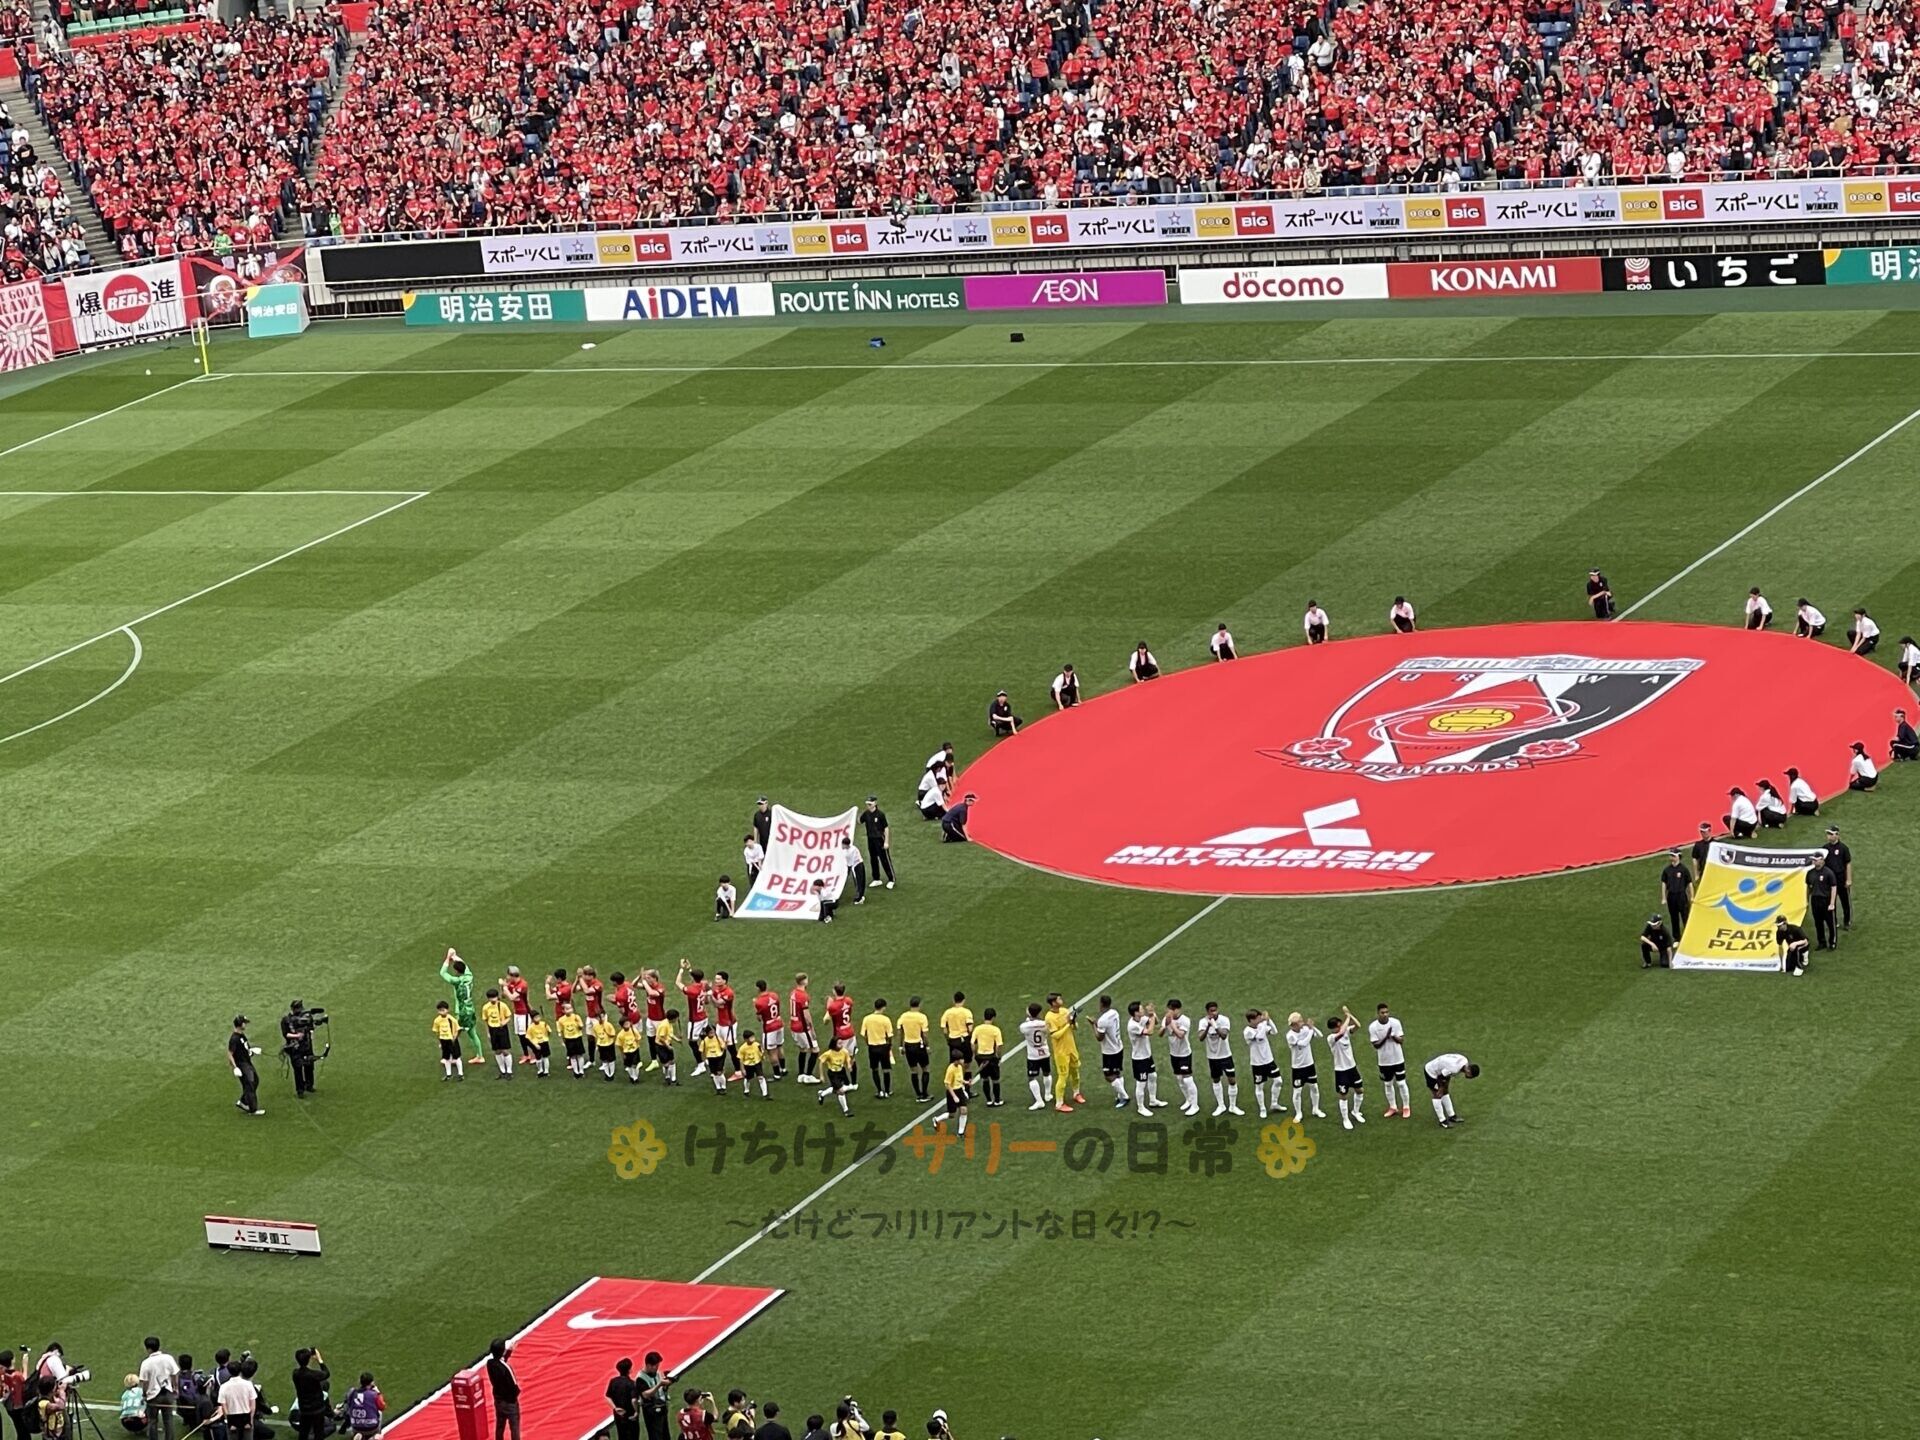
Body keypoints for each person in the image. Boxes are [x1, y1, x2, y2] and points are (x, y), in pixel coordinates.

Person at [439, 949, 484, 1066]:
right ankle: (479, 1056)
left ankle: (450, 1055)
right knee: (472, 1033)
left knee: (453, 1033)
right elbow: (464, 965)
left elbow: (442, 973)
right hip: (470, 1009)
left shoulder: (457, 981)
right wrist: (454, 956)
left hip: (463, 1011)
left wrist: (448, 958)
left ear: (456, 971)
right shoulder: (469, 976)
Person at [1327, 1007, 1368, 1129]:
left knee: (1359, 1090)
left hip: (1352, 1068)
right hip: (1341, 1071)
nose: (1341, 1027)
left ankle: (1356, 1111)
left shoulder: (1346, 1032)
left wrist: (1350, 1015)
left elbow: (1358, 1025)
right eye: (1338, 1025)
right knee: (1343, 1094)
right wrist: (1347, 1017)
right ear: (1334, 1028)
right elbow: (1341, 1033)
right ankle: (1345, 1119)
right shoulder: (1331, 1038)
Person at [1367, 1003, 1410, 1118]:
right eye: (1382, 1013)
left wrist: (1393, 1036)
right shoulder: (1373, 1027)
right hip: (1384, 1061)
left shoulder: (1395, 1023)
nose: (1385, 1014)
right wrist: (1386, 1036)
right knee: (1388, 1084)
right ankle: (1392, 1107)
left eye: (1386, 1012)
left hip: (1398, 1059)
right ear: (1378, 1013)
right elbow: (1376, 1045)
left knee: (1401, 1083)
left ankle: (1406, 1107)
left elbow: (1401, 1040)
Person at [1284, 1012, 1325, 1123]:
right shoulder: (1290, 1035)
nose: (1302, 1022)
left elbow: (1320, 1035)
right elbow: (1303, 1044)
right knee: (1297, 1091)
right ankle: (1298, 1113)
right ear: (1294, 1024)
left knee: (1314, 1087)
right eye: (1300, 1021)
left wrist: (1313, 1027)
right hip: (1298, 1067)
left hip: (1309, 1065)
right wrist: (1311, 1031)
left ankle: (1316, 1109)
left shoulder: (1305, 1030)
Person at [1044, 993, 1083, 1111]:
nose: (1061, 1000)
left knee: (1075, 1072)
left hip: (1071, 1048)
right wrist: (1067, 1024)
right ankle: (1059, 1103)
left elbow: (1075, 1028)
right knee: (1063, 1076)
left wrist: (1073, 1022)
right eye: (1059, 999)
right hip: (1061, 1052)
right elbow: (1055, 1035)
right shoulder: (1049, 1017)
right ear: (1053, 1003)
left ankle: (1076, 1093)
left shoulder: (1065, 1011)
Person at [1161, 998, 1198, 1116]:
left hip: (1184, 1054)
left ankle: (1195, 1105)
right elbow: (1160, 1034)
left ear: (1178, 1009)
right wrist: (1164, 1026)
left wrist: (1171, 1023)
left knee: (1187, 1079)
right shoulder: (1166, 1019)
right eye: (1169, 1009)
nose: (1170, 1011)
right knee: (1179, 1079)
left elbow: (1180, 1035)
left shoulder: (1185, 1020)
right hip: (1174, 1054)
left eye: (1173, 1009)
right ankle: (1188, 1099)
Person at [1127, 1001, 1164, 1116]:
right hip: (1139, 1059)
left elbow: (1156, 1022)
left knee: (1153, 1076)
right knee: (1141, 1083)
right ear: (1135, 1013)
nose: (1143, 1010)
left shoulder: (1142, 1019)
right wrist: (1151, 1017)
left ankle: (1153, 1100)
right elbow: (1150, 1031)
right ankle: (1140, 1107)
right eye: (1141, 1009)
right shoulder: (1132, 1026)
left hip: (1147, 1055)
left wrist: (1153, 1014)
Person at [1243, 1008, 1282, 1118]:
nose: (1260, 1019)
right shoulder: (1247, 1031)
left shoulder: (1262, 1026)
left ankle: (1274, 1103)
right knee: (1259, 1086)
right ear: (1251, 1020)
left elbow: (1274, 1031)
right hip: (1257, 1063)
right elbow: (1259, 1037)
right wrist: (1265, 1022)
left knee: (1278, 1081)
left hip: (1269, 1060)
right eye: (1257, 1018)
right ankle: (1262, 1108)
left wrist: (1269, 1020)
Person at [1424, 1052, 1480, 1127]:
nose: (1470, 1078)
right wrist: (1441, 1088)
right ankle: (1442, 1121)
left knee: (1445, 1091)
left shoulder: (1464, 1061)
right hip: (1431, 1071)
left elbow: (1447, 1074)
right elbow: (1441, 1077)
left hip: (1441, 1070)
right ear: (1469, 1071)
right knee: (1437, 1094)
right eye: (1471, 1076)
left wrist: (1445, 1086)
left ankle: (1452, 1116)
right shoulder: (1455, 1068)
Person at [1094, 995, 1127, 1108]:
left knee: (1108, 1075)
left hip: (1109, 1051)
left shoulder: (1103, 1020)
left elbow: (1100, 1037)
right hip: (1118, 1047)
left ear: (1101, 1004)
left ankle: (1124, 1096)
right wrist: (1097, 1023)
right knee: (1117, 1073)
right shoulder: (1114, 1012)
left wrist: (1093, 1025)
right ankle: (1120, 1095)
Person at [1019, 1003, 1053, 1111]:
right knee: (1047, 1073)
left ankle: (1039, 1101)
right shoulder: (1045, 1024)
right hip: (1045, 1052)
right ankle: (1048, 1094)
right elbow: (1048, 1030)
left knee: (1032, 1078)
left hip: (1033, 1055)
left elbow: (1024, 1030)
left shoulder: (1024, 1026)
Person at [281, 999, 318, 1096]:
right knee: (298, 1069)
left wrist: (310, 1035)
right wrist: (297, 1036)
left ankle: (309, 1085)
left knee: (309, 1066)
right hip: (295, 1047)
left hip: (306, 1046)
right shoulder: (287, 1020)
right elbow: (286, 1034)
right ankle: (300, 1090)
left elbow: (311, 1029)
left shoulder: (305, 1018)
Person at [229, 1016, 264, 1116]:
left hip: (247, 1063)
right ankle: (253, 1109)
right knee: (250, 1084)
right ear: (240, 1024)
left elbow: (244, 1049)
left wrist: (252, 1051)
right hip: (242, 1065)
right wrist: (235, 1067)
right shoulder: (234, 1038)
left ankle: (243, 1101)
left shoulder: (241, 1035)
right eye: (244, 1023)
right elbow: (230, 1054)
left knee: (255, 1081)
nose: (246, 1025)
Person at [898, 997, 931, 1100]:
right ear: (919, 1005)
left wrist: (901, 1046)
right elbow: (924, 1034)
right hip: (919, 1045)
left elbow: (900, 1032)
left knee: (913, 1070)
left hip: (908, 1045)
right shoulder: (922, 1017)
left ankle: (918, 1094)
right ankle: (925, 1093)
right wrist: (927, 1046)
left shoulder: (903, 1016)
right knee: (925, 1068)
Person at [752, 982, 786, 1082]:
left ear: (758, 988)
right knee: (779, 1046)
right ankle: (783, 1069)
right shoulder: (774, 995)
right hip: (779, 1023)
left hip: (769, 1028)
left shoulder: (759, 1002)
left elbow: (759, 1018)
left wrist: (755, 1005)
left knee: (772, 1052)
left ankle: (777, 1074)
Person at [1822, 825, 1854, 930]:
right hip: (1830, 880)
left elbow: (1848, 863)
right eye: (1828, 834)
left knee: (1845, 901)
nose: (1829, 836)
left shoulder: (1843, 848)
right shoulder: (1824, 849)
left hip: (1841, 878)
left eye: (1831, 834)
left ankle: (1847, 921)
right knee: (1831, 901)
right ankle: (1833, 922)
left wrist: (1848, 879)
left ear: (1837, 835)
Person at [484, 1342, 519, 1440]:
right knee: (514, 1427)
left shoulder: (490, 1364)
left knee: (500, 1425)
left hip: (498, 1400)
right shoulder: (506, 1368)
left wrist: (508, 1352)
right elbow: (514, 1386)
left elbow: (500, 1363)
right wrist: (514, 1397)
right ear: (502, 1351)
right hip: (510, 1402)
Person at [291, 1351, 329, 1440]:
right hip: (317, 1408)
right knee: (318, 1432)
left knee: (304, 1432)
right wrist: (320, 1360)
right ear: (309, 1360)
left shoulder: (295, 1374)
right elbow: (326, 1373)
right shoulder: (313, 1375)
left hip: (304, 1408)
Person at [971, 1007, 1004, 1107]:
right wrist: (998, 1056)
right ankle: (997, 1100)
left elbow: (972, 1043)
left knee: (985, 1078)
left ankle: (989, 1100)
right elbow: (999, 1045)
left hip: (981, 1056)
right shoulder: (995, 1030)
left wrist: (975, 1054)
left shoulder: (977, 1029)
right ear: (993, 1017)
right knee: (995, 1079)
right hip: (991, 1056)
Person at [860, 1000, 894, 1098]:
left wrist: (868, 1042)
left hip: (872, 1047)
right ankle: (887, 1091)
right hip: (883, 1047)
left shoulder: (867, 1019)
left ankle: (879, 1091)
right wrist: (889, 1045)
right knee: (886, 1069)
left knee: (875, 1069)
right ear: (883, 1007)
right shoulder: (885, 1019)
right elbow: (890, 1035)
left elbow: (864, 1034)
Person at [860, 797, 895, 889]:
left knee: (884, 860)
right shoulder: (866, 814)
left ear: (875, 803)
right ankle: (876, 879)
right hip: (870, 839)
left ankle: (891, 879)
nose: (868, 806)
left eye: (870, 804)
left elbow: (886, 828)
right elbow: (860, 821)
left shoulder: (880, 814)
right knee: (873, 859)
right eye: (867, 804)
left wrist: (886, 842)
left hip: (880, 839)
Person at [789, 974, 819, 1085]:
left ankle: (801, 1074)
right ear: (804, 981)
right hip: (802, 1028)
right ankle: (808, 1076)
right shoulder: (803, 995)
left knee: (802, 1049)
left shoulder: (793, 993)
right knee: (815, 1050)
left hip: (794, 1025)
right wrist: (812, 1028)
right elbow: (806, 1014)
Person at [1806, 857, 1839, 951]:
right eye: (1813, 860)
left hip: (1826, 900)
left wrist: (1832, 903)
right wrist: (1807, 900)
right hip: (1815, 900)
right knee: (1818, 923)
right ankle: (1822, 942)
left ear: (1822, 861)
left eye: (1816, 860)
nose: (1814, 861)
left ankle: (1832, 942)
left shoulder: (1828, 872)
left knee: (1830, 923)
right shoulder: (1810, 873)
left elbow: (1833, 887)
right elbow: (1808, 887)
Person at [500, 967, 532, 1064]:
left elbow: (512, 997)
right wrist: (502, 987)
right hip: (517, 1013)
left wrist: (505, 987)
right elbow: (503, 996)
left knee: (526, 1035)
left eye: (508, 975)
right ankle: (526, 1054)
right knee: (520, 1035)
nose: (507, 977)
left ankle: (536, 1053)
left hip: (524, 1013)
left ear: (512, 975)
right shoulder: (512, 983)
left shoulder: (522, 985)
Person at [1658, 847, 1693, 935]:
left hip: (1681, 896)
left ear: (1678, 857)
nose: (1671, 857)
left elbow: (1690, 883)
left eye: (1673, 855)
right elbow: (1664, 883)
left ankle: (1688, 934)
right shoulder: (1667, 870)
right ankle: (1676, 937)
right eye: (1671, 855)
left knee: (1685, 916)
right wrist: (1664, 897)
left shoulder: (1684, 869)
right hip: (1671, 896)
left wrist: (1692, 896)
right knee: (1674, 918)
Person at [217, 1361, 256, 1440]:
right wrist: (250, 1420)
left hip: (232, 1418)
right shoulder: (248, 1384)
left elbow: (224, 1407)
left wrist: (229, 1421)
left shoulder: (223, 1387)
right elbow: (253, 1405)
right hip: (246, 1417)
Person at [815, 1041, 854, 1115]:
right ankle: (846, 1110)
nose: (841, 1045)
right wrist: (821, 1075)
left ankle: (822, 1094)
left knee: (838, 1088)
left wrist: (849, 1065)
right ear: (834, 1045)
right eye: (839, 1043)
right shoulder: (829, 1053)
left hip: (842, 1072)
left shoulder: (844, 1051)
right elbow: (821, 1062)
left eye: (842, 1043)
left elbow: (847, 1058)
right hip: (833, 1074)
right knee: (841, 1091)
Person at [636, 1356, 670, 1440]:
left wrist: (666, 1385)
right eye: (656, 1366)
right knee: (655, 1435)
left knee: (665, 1434)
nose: (657, 1368)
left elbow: (662, 1389)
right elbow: (645, 1395)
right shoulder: (640, 1378)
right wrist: (659, 1385)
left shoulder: (657, 1373)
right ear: (648, 1365)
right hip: (651, 1410)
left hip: (661, 1406)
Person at [432, 1002, 464, 1081]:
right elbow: (437, 1032)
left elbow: (457, 1030)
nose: (441, 1012)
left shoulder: (451, 1019)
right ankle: (448, 1074)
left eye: (443, 1010)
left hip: (452, 1040)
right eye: (440, 1010)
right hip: (443, 1040)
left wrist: (454, 1039)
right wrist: (440, 1042)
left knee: (456, 1057)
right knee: (446, 1058)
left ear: (447, 1010)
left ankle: (460, 1074)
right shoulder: (437, 1020)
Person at [343, 1375, 381, 1440]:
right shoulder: (374, 1394)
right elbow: (382, 1406)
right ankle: (374, 1437)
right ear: (371, 1383)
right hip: (371, 1427)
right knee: (379, 1412)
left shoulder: (352, 1392)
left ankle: (359, 1436)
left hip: (356, 1426)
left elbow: (347, 1404)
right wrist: (378, 1393)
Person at [943, 1053, 970, 1135]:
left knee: (964, 1110)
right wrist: (954, 1096)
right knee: (952, 1114)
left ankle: (961, 1132)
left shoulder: (959, 1067)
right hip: (952, 1092)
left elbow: (959, 1079)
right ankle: (937, 1119)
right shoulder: (950, 1070)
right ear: (956, 1060)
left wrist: (966, 1082)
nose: (963, 1060)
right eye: (961, 1059)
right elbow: (947, 1084)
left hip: (960, 1090)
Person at [735, 1031, 767, 1099]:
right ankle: (746, 1090)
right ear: (746, 1039)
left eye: (753, 1037)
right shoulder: (742, 1048)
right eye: (751, 1037)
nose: (753, 1038)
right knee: (748, 1078)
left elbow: (761, 1052)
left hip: (757, 1063)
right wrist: (742, 1069)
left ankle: (765, 1094)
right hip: (748, 1065)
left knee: (761, 1077)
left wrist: (762, 1056)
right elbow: (741, 1059)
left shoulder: (757, 1045)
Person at [557, 1005, 586, 1078]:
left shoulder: (576, 1017)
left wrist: (577, 1022)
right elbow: (560, 1031)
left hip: (577, 1037)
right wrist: (562, 1040)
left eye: (570, 1008)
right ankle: (576, 1072)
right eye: (567, 1009)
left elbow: (581, 1027)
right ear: (563, 1011)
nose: (569, 1010)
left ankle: (581, 1071)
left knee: (579, 1055)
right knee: (572, 1056)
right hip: (569, 1039)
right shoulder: (561, 1020)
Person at [838, 836, 867, 905]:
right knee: (858, 882)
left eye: (843, 844)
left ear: (846, 845)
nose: (842, 846)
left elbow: (851, 863)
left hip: (857, 866)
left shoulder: (851, 851)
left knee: (859, 882)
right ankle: (860, 896)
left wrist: (848, 871)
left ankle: (859, 898)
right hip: (855, 865)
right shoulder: (848, 850)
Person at [592, 1013, 619, 1081]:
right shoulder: (595, 1026)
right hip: (601, 1045)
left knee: (611, 1060)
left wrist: (607, 1032)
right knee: (604, 1060)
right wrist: (597, 1045)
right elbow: (596, 1036)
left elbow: (613, 1034)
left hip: (609, 1044)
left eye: (603, 1017)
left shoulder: (608, 1025)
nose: (601, 1019)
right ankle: (607, 1074)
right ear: (597, 1018)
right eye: (599, 1017)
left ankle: (611, 1074)